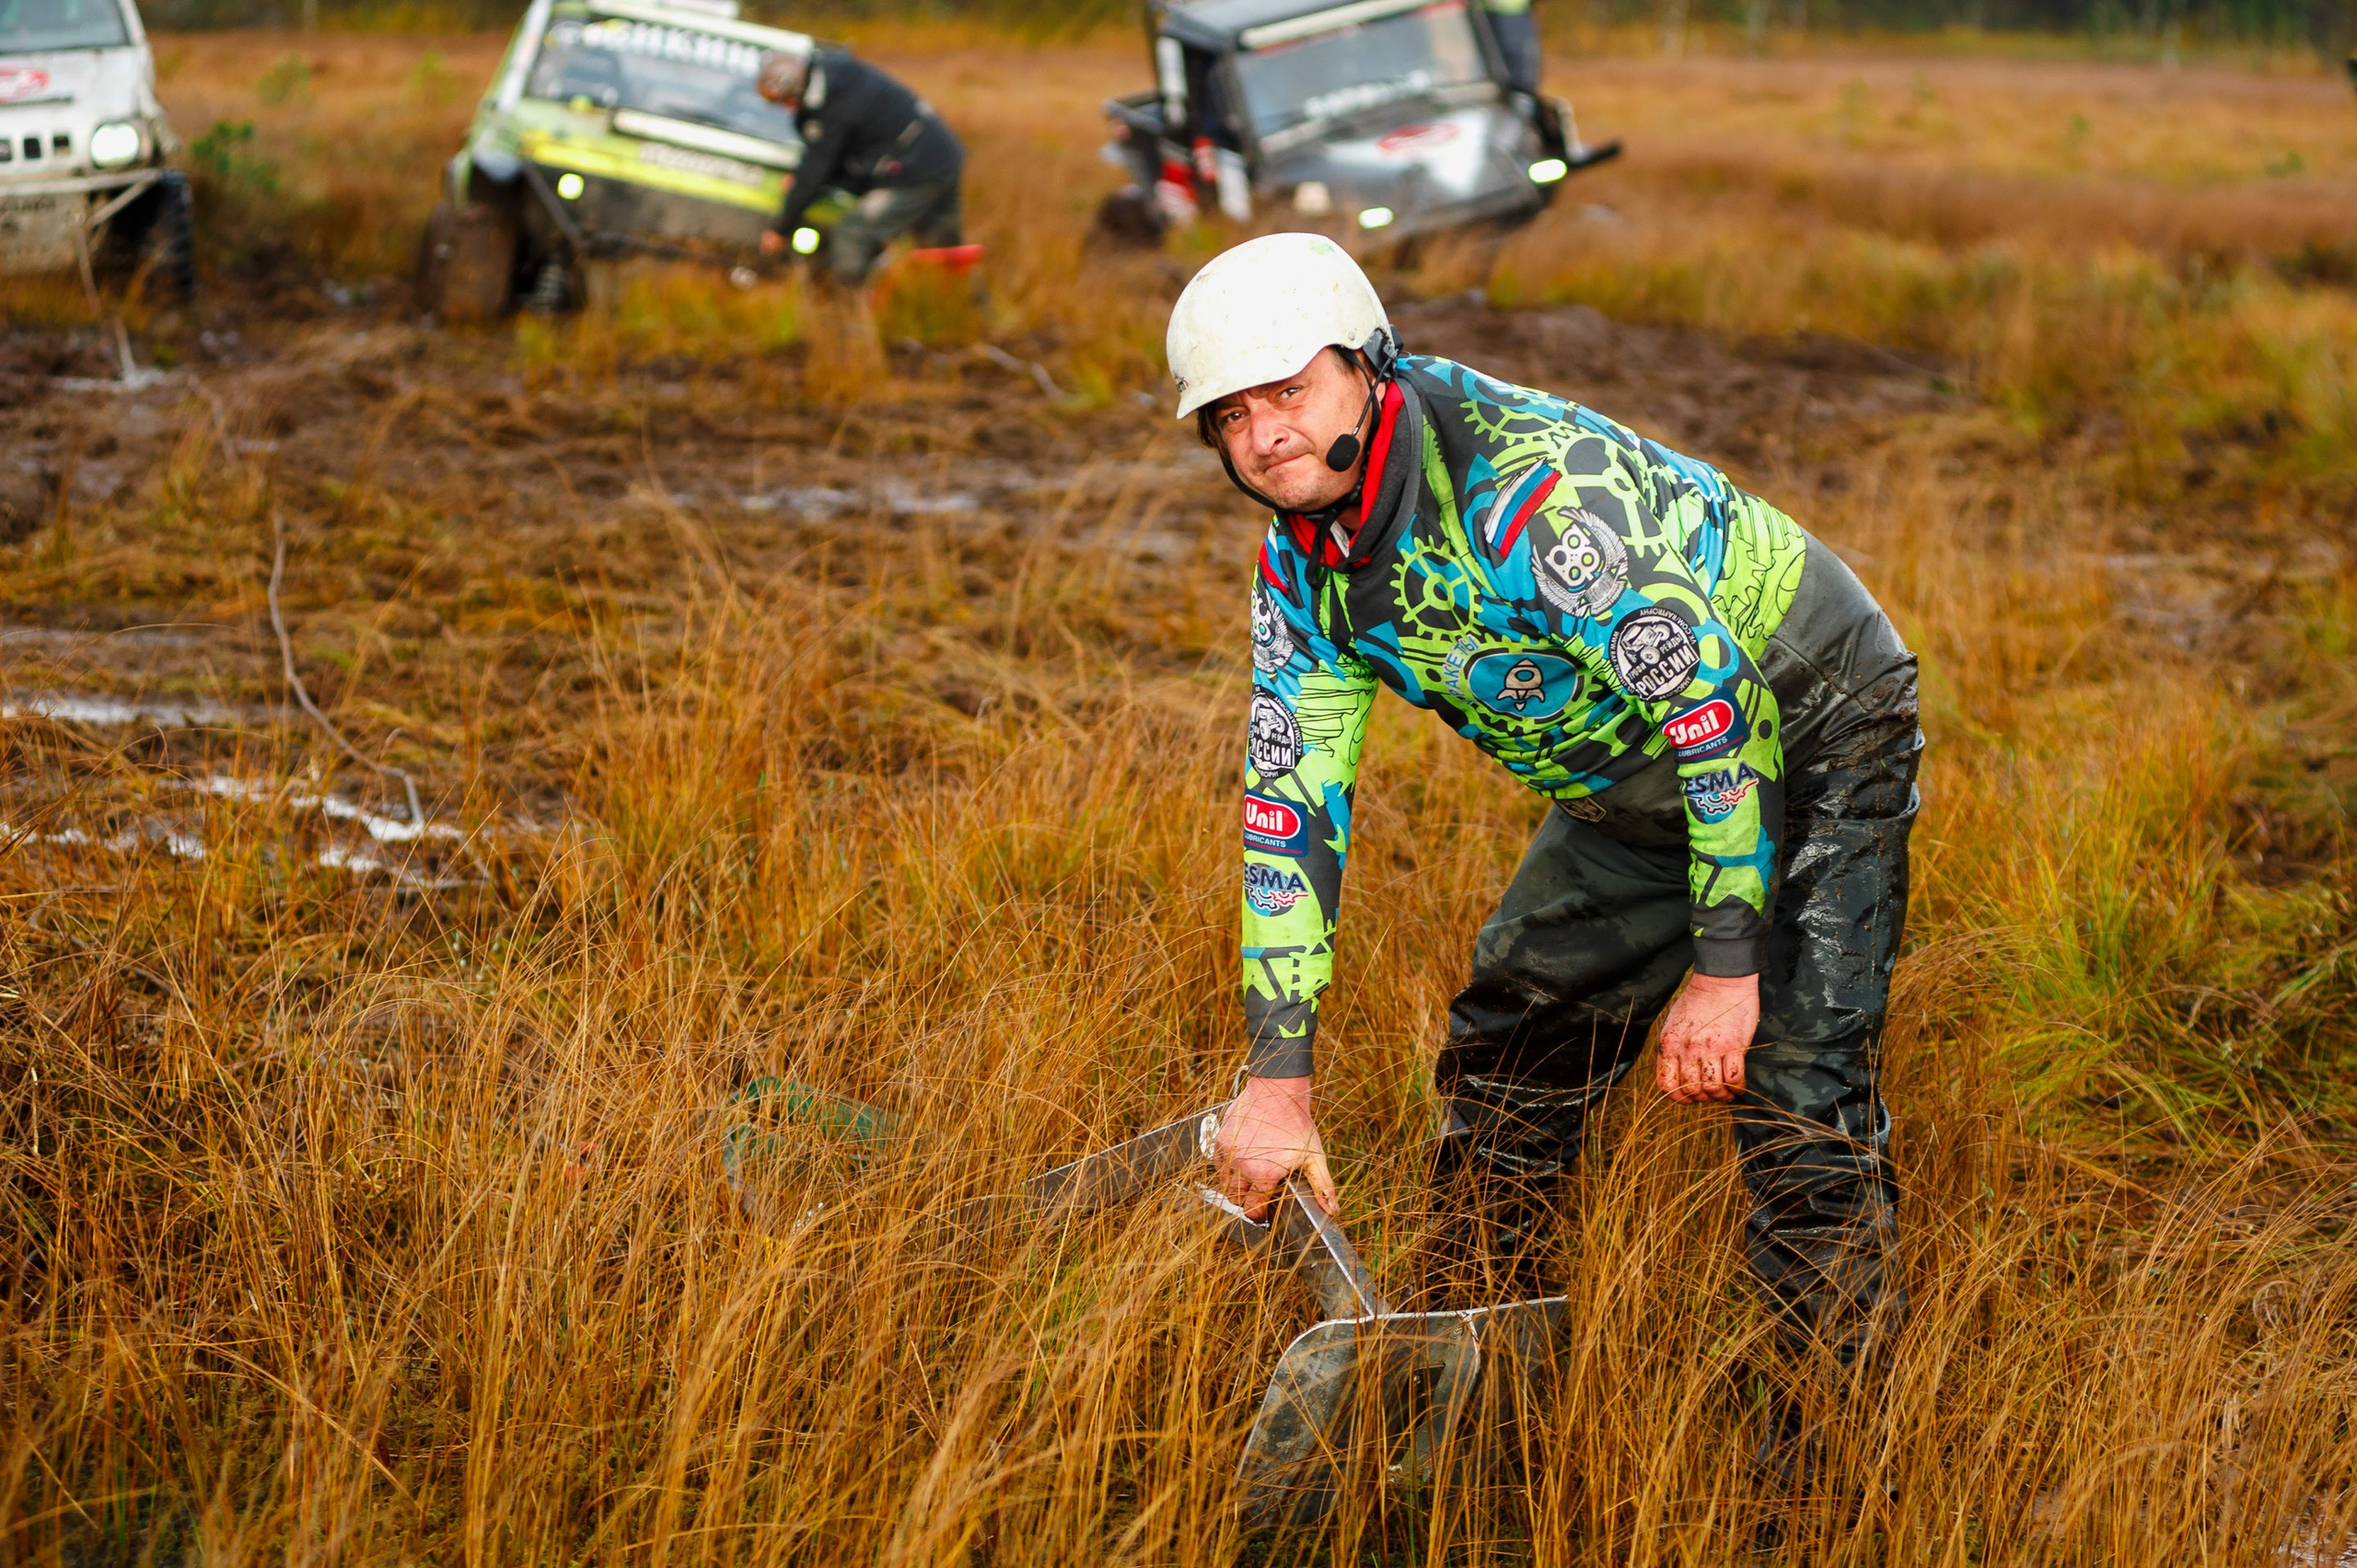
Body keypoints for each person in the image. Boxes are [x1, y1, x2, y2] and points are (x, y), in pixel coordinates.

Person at [1180, 232, 1921, 1481]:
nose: (1265, 436)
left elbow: (1720, 713)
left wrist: (1729, 964)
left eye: (1288, 392)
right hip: (1628, 784)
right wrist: (1279, 1078)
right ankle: (1477, 1403)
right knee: (1509, 1050)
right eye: (1231, 416)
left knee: (1799, 1099)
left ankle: (1822, 1484)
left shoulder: (1533, 497)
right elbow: (1288, 807)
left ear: (1368, 366)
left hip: (1809, 724)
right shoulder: (1302, 576)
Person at [754, 46, 965, 288]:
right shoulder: (834, 77)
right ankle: (972, 307)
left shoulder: (834, 105)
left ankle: (850, 307)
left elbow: (816, 169)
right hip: (937, 158)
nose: (787, 109)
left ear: (796, 88)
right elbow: (836, 157)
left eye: (786, 101)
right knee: (944, 252)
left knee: (853, 232)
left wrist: (780, 228)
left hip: (916, 170)